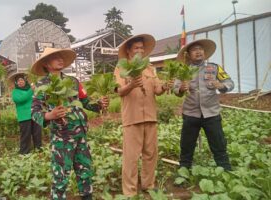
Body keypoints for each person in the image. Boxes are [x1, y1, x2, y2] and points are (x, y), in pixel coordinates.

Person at [30, 48, 109, 200]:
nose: (60, 59)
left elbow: (85, 102)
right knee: (61, 176)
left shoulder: (73, 82)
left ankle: (87, 196)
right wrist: (50, 115)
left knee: (85, 170)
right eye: (55, 58)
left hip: (81, 134)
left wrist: (99, 104)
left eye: (61, 57)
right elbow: (34, 113)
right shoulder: (42, 85)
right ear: (46, 63)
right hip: (62, 138)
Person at [114, 34, 171, 197]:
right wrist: (131, 84)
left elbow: (157, 90)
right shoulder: (121, 68)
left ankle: (148, 185)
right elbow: (120, 91)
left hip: (151, 117)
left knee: (150, 154)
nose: (140, 50)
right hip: (132, 118)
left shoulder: (150, 68)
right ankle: (130, 191)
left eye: (141, 48)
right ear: (129, 50)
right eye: (136, 48)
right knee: (131, 157)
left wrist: (165, 86)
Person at [173, 39, 234, 171]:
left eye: (200, 49)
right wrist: (182, 88)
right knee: (187, 145)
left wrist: (221, 85)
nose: (198, 51)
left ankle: (226, 170)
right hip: (190, 114)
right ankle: (184, 171)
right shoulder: (184, 70)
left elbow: (230, 83)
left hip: (211, 113)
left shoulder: (214, 68)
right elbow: (175, 89)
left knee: (219, 144)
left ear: (204, 52)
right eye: (194, 50)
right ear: (188, 54)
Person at [9, 71, 42, 154]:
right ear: (16, 83)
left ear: (25, 81)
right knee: (26, 136)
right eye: (18, 81)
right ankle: (24, 153)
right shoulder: (15, 91)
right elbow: (20, 100)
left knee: (37, 134)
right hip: (24, 117)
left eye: (22, 80)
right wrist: (31, 90)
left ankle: (39, 151)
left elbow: (39, 97)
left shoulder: (32, 89)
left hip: (35, 114)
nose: (20, 82)